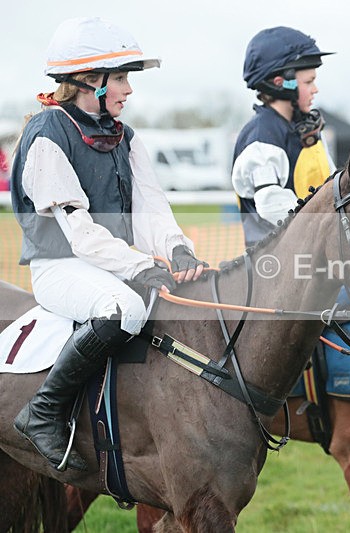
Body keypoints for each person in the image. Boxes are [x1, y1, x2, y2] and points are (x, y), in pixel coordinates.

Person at [9, 17, 207, 471]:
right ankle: (42, 413)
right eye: (120, 78)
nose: (128, 89)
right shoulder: (47, 136)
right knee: (126, 309)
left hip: (109, 265)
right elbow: (80, 234)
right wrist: (139, 266)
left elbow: (152, 206)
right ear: (88, 81)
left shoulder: (124, 136)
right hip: (59, 268)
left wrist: (177, 248)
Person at [232, 26, 335, 246]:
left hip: (315, 261)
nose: (315, 89)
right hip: (276, 269)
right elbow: (272, 205)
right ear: (281, 83)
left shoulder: (307, 128)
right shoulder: (261, 138)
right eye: (308, 82)